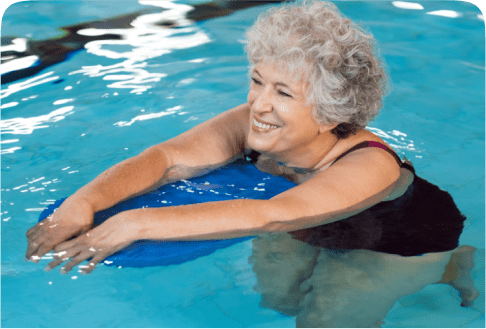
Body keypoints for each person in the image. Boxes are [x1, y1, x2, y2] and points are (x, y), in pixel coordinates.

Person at [26, 1, 475, 327]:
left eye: (283, 93)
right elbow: (164, 160)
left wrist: (136, 222)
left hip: (396, 237)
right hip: (301, 214)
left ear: (330, 111)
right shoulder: (254, 123)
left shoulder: (370, 166)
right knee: (278, 300)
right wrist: (82, 204)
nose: (259, 105)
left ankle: (451, 263)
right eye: (257, 81)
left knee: (324, 321)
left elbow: (272, 215)